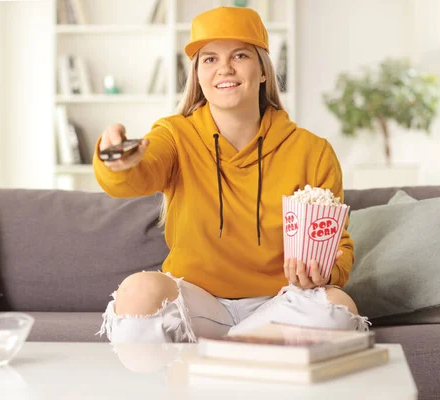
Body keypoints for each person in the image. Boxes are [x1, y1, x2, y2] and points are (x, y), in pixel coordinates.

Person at [94, 6, 369, 345]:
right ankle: (245, 349)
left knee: (339, 308)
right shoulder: (175, 135)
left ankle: (224, 348)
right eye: (209, 59)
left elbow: (336, 246)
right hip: (197, 304)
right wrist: (119, 163)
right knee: (137, 290)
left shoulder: (313, 151)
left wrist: (322, 273)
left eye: (239, 55)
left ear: (263, 70)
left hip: (280, 304)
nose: (224, 68)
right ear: (197, 75)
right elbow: (137, 177)